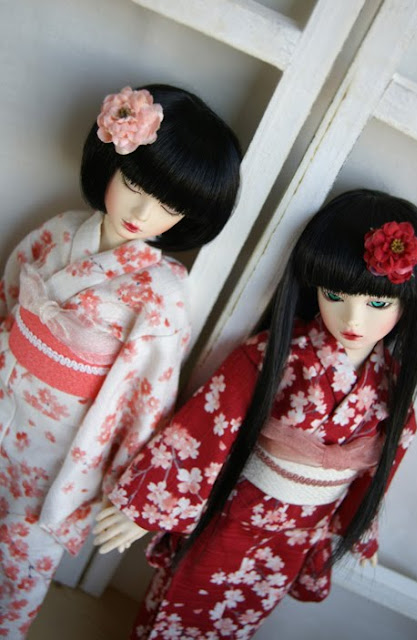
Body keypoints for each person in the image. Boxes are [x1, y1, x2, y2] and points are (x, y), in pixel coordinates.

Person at [94, 189, 417, 640]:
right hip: (234, 519)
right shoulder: (272, 357)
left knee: (240, 619)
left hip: (296, 537)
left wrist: (359, 529)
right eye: (335, 295)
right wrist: (147, 508)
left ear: (409, 304)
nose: (353, 319)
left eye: (377, 303)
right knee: (184, 602)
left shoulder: (390, 392)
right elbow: (206, 429)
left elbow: (379, 470)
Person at [0, 83, 241, 637]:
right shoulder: (61, 231)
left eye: (168, 205)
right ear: (111, 161)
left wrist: (133, 491)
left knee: (20, 559)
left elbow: (149, 397)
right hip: (7, 390)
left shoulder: (163, 292)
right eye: (134, 184)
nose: (142, 211)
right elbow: (11, 295)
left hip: (58, 447)